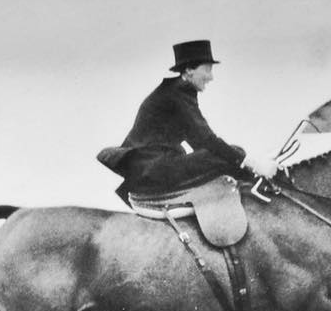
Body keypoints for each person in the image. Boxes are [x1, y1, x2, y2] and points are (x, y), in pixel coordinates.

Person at [97, 40, 278, 204]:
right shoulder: (178, 93)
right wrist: (254, 164)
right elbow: (208, 140)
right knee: (235, 152)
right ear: (189, 70)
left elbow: (199, 142)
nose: (211, 76)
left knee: (226, 155)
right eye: (207, 69)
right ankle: (260, 187)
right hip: (154, 169)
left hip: (151, 168)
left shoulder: (174, 91)